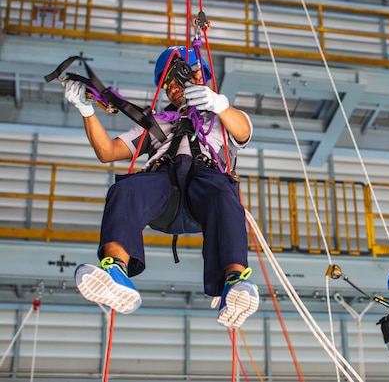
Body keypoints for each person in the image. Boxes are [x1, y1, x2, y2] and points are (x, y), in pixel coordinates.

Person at [64, 45, 259, 328]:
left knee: (224, 195)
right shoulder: (156, 122)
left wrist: (219, 105)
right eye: (167, 84)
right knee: (124, 190)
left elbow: (243, 131)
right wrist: (86, 111)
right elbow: (108, 151)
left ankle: (235, 282)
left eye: (181, 77)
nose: (174, 87)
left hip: (205, 186)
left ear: (200, 76)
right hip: (162, 185)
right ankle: (117, 271)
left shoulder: (220, 115)